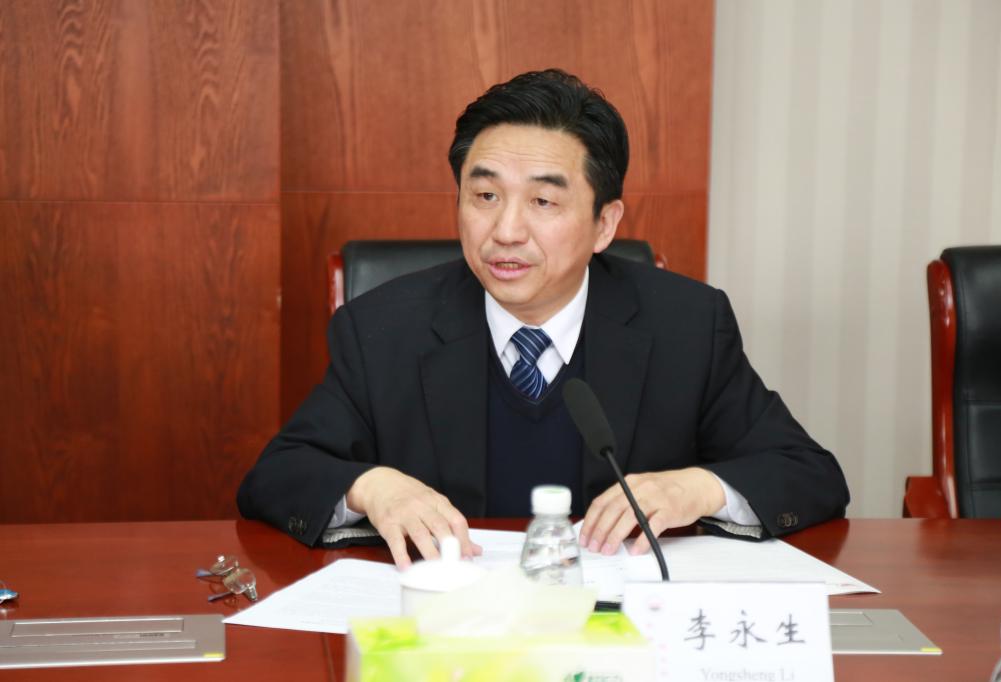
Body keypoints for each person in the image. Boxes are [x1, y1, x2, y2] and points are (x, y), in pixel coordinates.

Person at [237, 69, 849, 569]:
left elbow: (808, 474)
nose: (506, 230)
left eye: (543, 201)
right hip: (451, 632)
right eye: (485, 196)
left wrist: (694, 488)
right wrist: (371, 487)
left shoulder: (686, 325)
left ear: (604, 224)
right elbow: (277, 477)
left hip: (618, 633)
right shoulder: (383, 329)